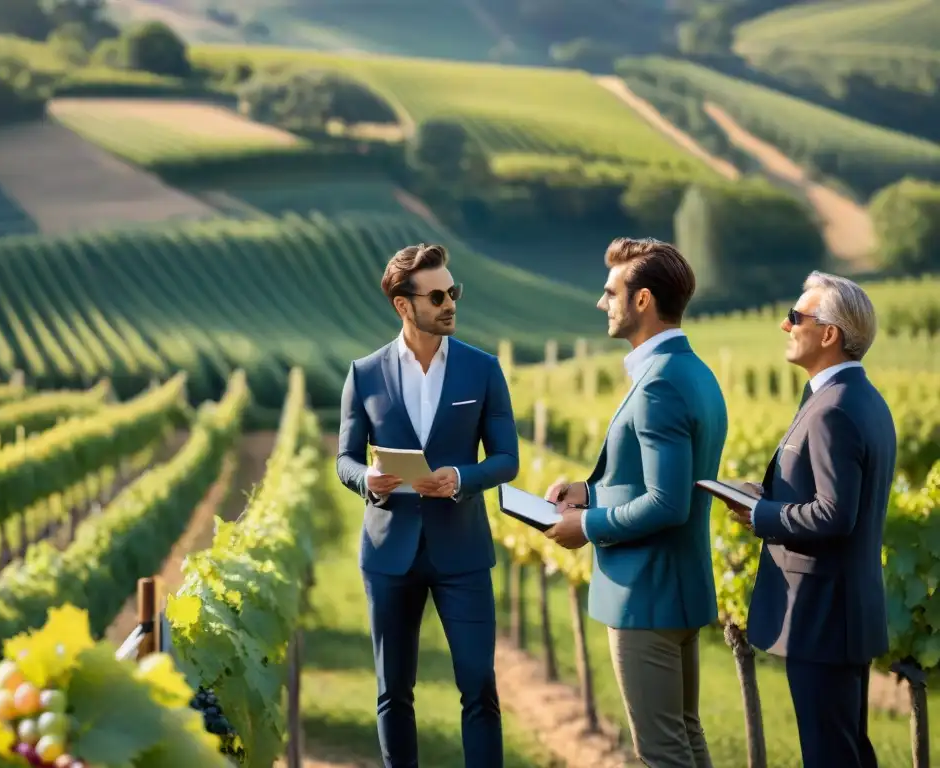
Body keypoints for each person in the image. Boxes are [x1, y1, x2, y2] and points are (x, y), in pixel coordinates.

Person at [544, 237, 726, 768]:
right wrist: (588, 491)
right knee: (685, 738)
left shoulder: (658, 385)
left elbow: (668, 503)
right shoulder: (692, 371)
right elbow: (660, 481)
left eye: (610, 292)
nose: (602, 302)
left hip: (645, 595)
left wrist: (588, 524)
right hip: (678, 588)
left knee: (661, 752)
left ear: (642, 300)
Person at [335, 242, 519, 768]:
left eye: (452, 291)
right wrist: (368, 479)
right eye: (437, 295)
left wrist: (461, 476)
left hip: (462, 552)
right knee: (394, 691)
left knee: (480, 687)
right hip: (389, 553)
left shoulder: (482, 370)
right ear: (403, 304)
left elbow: (507, 459)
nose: (450, 303)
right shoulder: (364, 373)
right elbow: (344, 460)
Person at [723, 271, 896, 768]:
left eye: (796, 316)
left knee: (830, 755)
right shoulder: (857, 398)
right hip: (841, 614)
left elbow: (834, 514)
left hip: (822, 616)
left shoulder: (832, 409)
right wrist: (766, 497)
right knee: (848, 751)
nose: (785, 325)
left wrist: (762, 514)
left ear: (828, 334)